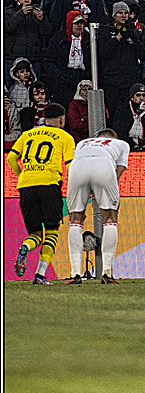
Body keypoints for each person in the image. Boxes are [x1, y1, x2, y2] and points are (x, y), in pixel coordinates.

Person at [8, 103, 76, 284]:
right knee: (52, 231)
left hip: (26, 187)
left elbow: (10, 158)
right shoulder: (65, 137)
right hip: (49, 185)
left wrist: (22, 175)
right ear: (62, 119)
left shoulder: (27, 134)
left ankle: (25, 246)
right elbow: (71, 165)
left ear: (44, 119)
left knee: (36, 234)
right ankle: (39, 274)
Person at [64, 128, 129, 284]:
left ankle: (75, 273)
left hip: (77, 167)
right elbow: (119, 170)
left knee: (75, 220)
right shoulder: (121, 144)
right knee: (110, 219)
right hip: (104, 166)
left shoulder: (82, 143)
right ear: (113, 138)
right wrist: (105, 190)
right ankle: (107, 272)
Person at [43, 11, 92, 106]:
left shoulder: (88, 39)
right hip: (64, 78)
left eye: (81, 23)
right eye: (76, 23)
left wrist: (88, 76)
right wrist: (59, 75)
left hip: (82, 78)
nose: (79, 26)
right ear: (70, 23)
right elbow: (48, 62)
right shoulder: (58, 39)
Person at [5, 0, 51, 84]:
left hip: (33, 58)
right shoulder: (8, 12)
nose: (26, 0)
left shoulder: (36, 12)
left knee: (35, 87)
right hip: (12, 57)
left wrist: (42, 20)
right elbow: (7, 28)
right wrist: (21, 13)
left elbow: (47, 32)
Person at [111, 82, 145, 150]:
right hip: (127, 143)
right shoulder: (123, 110)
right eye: (138, 95)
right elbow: (119, 130)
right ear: (132, 97)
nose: (141, 98)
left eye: (144, 95)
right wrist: (131, 144)